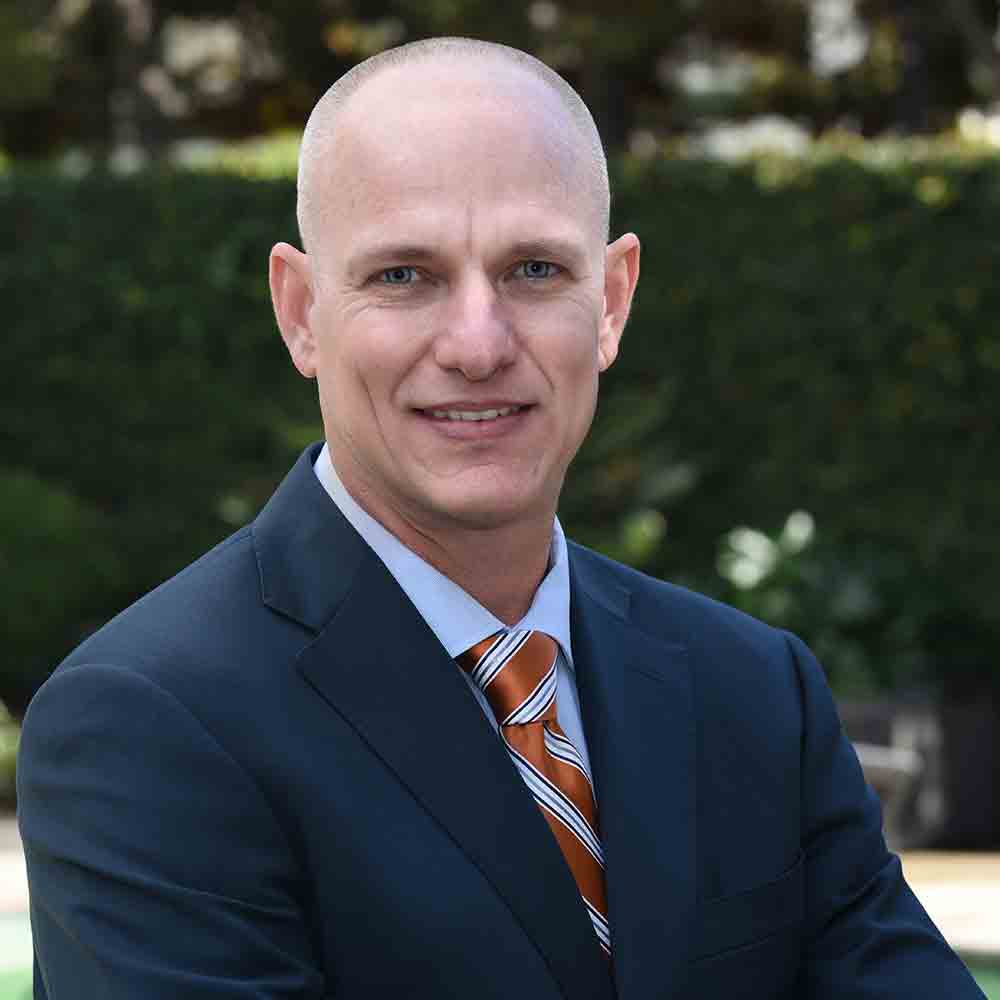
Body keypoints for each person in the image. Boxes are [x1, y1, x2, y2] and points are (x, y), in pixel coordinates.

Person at [16, 36, 985, 1000]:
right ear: (302, 310)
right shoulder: (145, 728)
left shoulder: (756, 697)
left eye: (531, 270)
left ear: (609, 302)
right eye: (404, 274)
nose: (477, 343)